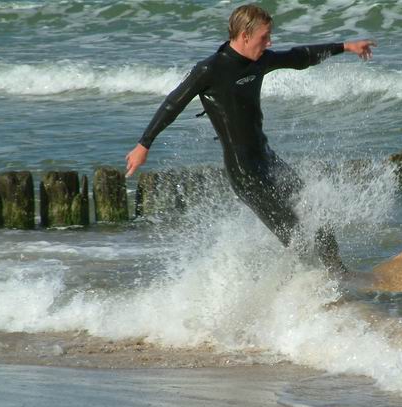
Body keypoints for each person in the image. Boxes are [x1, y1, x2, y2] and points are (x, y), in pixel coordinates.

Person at [125, 4, 376, 277]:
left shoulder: (260, 60)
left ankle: (339, 274)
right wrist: (144, 144)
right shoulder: (209, 69)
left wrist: (347, 47)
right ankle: (311, 291)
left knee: (317, 213)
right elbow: (172, 104)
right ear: (245, 35)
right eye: (264, 37)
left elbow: (299, 57)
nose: (269, 42)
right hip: (245, 173)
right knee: (296, 236)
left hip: (267, 159)